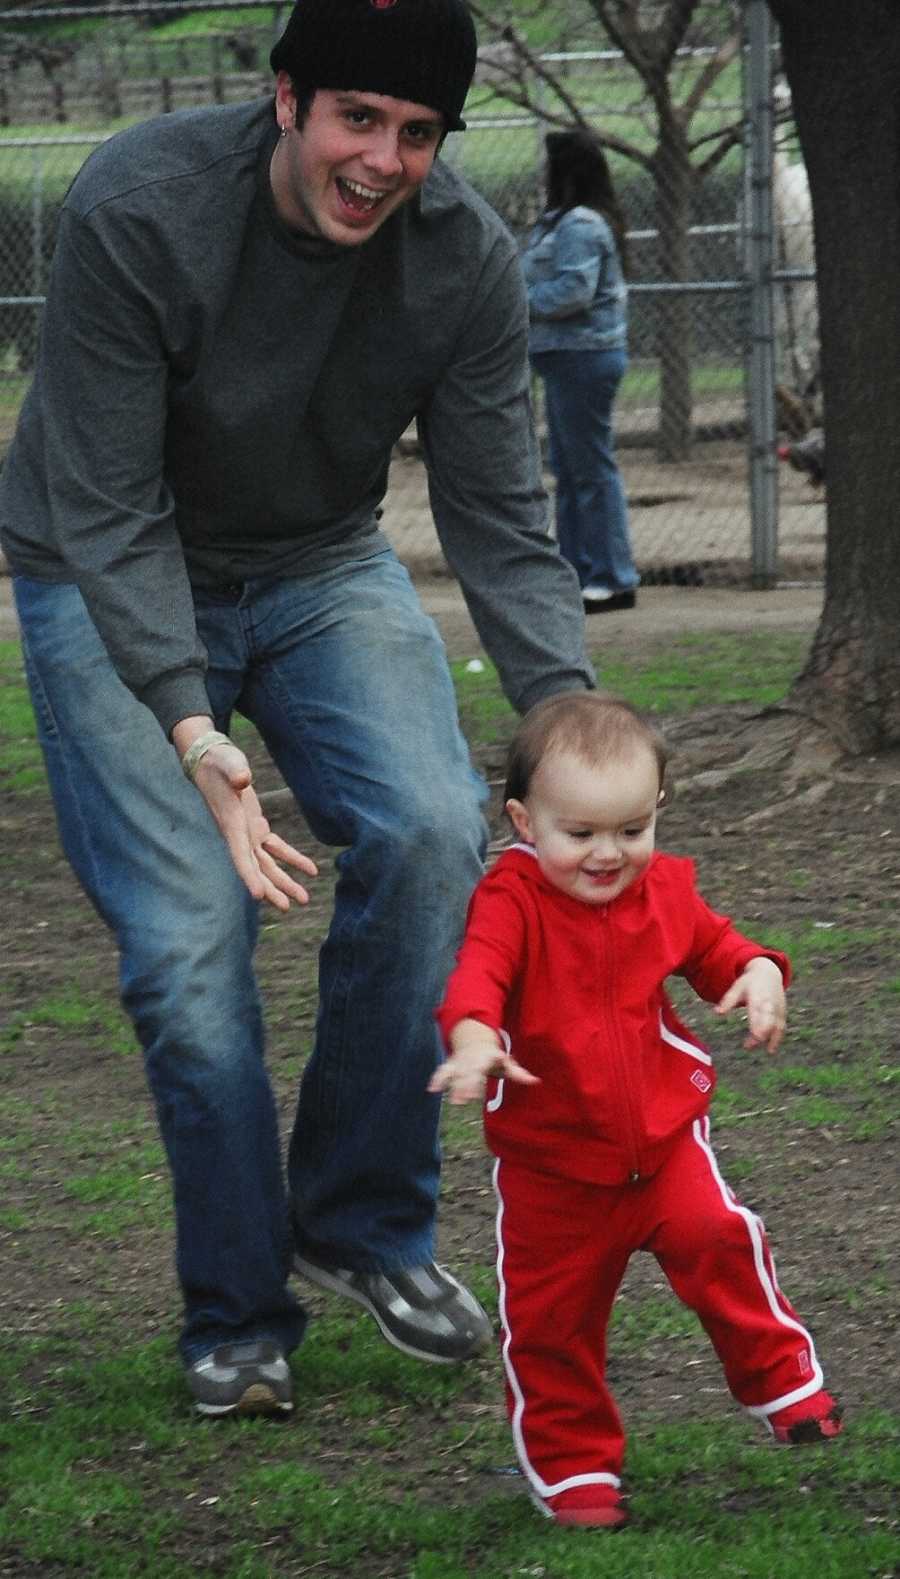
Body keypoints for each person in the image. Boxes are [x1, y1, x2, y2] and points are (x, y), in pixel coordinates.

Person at [0, 0, 596, 1417]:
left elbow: (502, 514)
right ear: (287, 101)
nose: (383, 160)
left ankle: (363, 1216)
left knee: (438, 827)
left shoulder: (465, 260)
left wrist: (571, 718)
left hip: (319, 562)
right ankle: (236, 1308)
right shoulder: (142, 205)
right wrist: (193, 727)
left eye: (417, 132)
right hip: (101, 565)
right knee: (189, 934)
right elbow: (108, 499)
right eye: (356, 118)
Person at [431, 694, 842, 1529]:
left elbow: (716, 944)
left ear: (655, 810)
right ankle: (575, 1469)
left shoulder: (663, 888)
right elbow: (478, 974)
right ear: (523, 819)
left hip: (663, 1146)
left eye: (630, 828)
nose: (607, 854)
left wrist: (760, 970)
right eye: (578, 833)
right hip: (553, 1172)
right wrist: (474, 1036)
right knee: (551, 1325)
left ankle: (784, 1381)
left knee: (718, 1238)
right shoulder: (511, 900)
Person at [522, 129, 639, 614]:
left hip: (584, 357)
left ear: (566, 171)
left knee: (590, 469)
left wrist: (512, 305)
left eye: (549, 164)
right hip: (566, 358)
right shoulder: (559, 222)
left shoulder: (581, 226)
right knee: (570, 471)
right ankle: (577, 571)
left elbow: (574, 291)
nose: (542, 172)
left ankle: (613, 578)